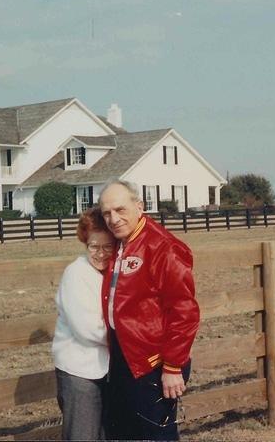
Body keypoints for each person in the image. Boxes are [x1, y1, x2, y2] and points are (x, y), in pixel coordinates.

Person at [98, 179, 200, 441]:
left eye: (121, 210)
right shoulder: (120, 242)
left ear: (139, 206)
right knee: (124, 432)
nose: (114, 218)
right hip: (124, 355)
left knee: (155, 433)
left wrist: (173, 367)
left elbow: (184, 310)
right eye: (107, 213)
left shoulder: (162, 246)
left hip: (154, 361)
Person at [52, 207, 115, 440]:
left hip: (106, 370)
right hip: (80, 372)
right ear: (85, 243)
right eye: (94, 246)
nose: (101, 253)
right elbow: (89, 330)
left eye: (108, 246)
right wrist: (130, 341)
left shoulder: (111, 273)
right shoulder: (76, 274)